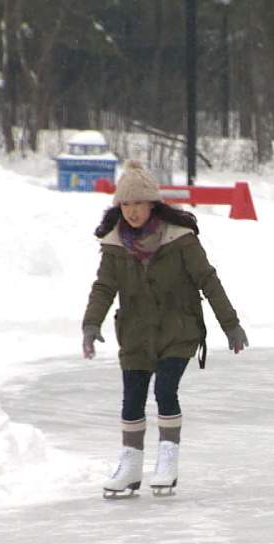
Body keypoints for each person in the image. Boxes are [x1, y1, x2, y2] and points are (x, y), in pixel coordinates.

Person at [82, 160, 248, 497]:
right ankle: (130, 465)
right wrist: (91, 324)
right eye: (125, 205)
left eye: (138, 204)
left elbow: (207, 280)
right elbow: (103, 287)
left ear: (152, 204)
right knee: (132, 399)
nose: (131, 212)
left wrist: (230, 324)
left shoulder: (180, 239)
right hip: (135, 333)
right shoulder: (115, 245)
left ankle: (168, 459)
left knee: (165, 390)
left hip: (178, 329)